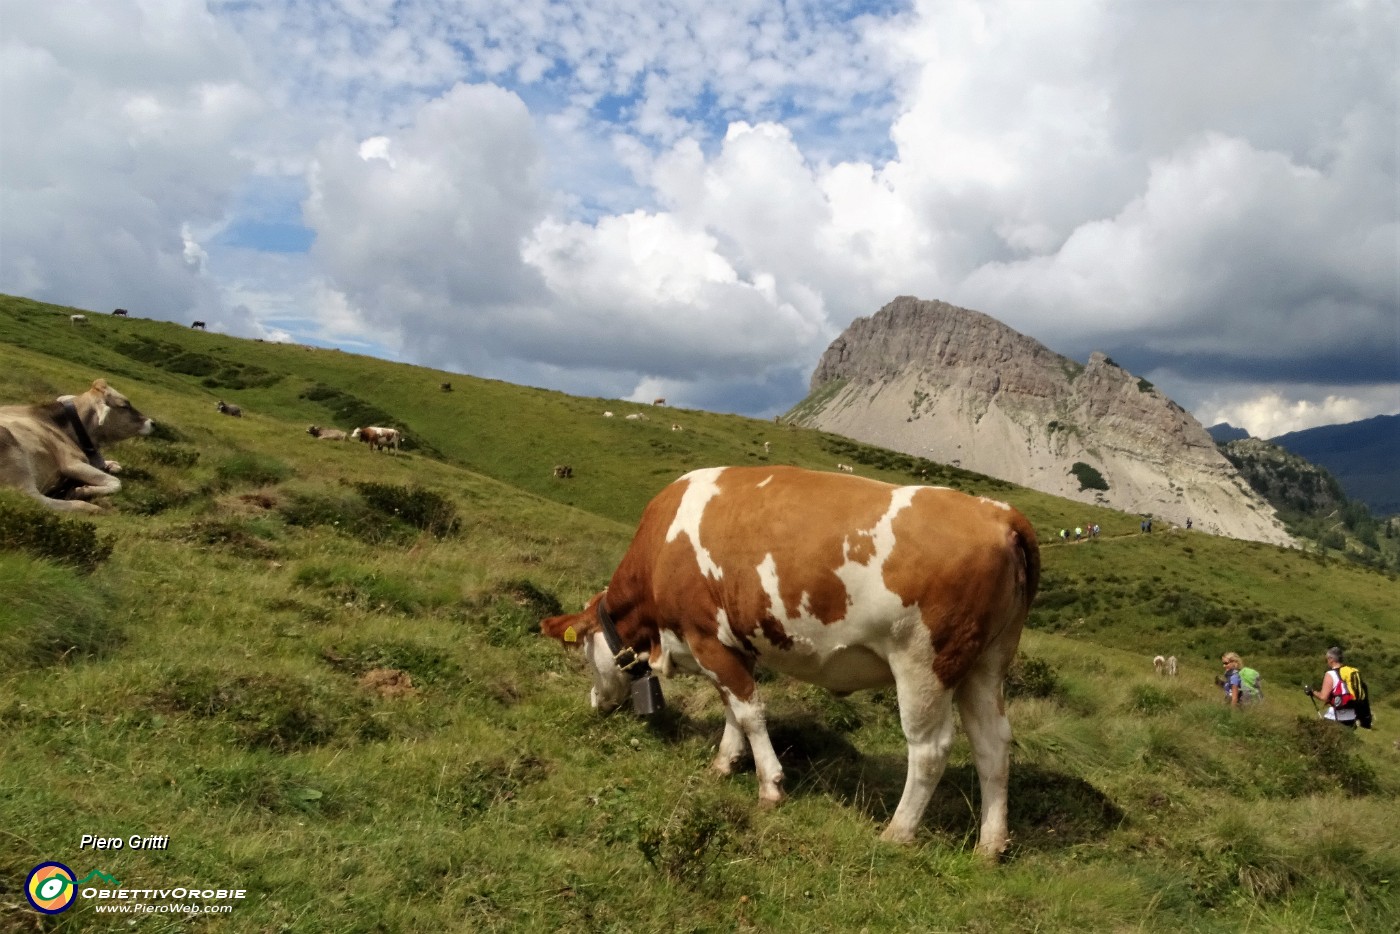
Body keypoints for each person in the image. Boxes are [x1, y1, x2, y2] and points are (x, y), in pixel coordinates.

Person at [1309, 646, 1359, 728]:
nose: (1327, 661)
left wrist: (1312, 692)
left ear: (1331, 659)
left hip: (1335, 717)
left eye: (1327, 659)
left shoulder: (1330, 674)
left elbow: (1323, 697)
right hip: (1351, 716)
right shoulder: (1352, 672)